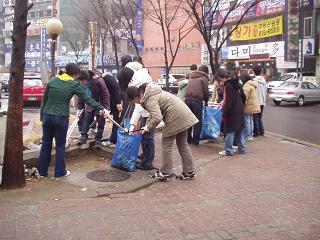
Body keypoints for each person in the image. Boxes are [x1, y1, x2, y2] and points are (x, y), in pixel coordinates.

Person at [37, 63, 109, 177]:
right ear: (75, 74)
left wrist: (42, 117)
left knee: (46, 144)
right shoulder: (73, 84)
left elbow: (44, 101)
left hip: (47, 116)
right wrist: (102, 108)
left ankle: (41, 171)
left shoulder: (52, 81)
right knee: (60, 145)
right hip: (61, 118)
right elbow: (87, 99)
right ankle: (60, 172)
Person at [127, 83, 198, 181]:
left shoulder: (149, 99)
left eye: (133, 101)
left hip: (175, 116)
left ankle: (165, 173)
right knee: (182, 144)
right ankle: (189, 171)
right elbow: (153, 114)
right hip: (183, 113)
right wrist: (146, 126)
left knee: (166, 145)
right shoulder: (150, 93)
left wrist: (148, 128)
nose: (135, 103)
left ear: (135, 97)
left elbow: (157, 117)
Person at [118, 61, 156, 170]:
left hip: (150, 113)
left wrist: (131, 126)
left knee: (148, 137)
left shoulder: (139, 84)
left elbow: (138, 107)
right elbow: (137, 107)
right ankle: (145, 156)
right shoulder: (139, 78)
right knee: (145, 137)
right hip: (147, 112)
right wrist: (131, 125)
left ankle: (147, 163)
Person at [76, 70, 110, 148]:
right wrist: (79, 108)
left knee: (101, 122)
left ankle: (98, 140)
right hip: (89, 105)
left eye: (83, 80)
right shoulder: (79, 83)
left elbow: (105, 94)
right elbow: (79, 96)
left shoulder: (98, 81)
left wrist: (106, 108)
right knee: (86, 119)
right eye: (80, 80)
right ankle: (83, 136)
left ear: (88, 79)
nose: (81, 82)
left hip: (100, 104)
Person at [217, 70, 246, 156]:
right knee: (240, 130)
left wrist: (224, 114)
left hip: (232, 111)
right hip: (240, 109)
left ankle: (229, 150)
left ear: (222, 78)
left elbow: (228, 102)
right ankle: (242, 149)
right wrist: (242, 106)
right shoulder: (236, 84)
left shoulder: (227, 86)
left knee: (229, 131)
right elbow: (244, 96)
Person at [185, 65, 209, 145]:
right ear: (206, 71)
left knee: (189, 120)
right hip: (197, 100)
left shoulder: (192, 76)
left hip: (187, 99)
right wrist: (206, 101)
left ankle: (188, 140)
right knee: (197, 121)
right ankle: (195, 141)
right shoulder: (204, 78)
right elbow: (205, 92)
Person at [102, 73, 122, 146]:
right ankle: (114, 140)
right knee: (117, 121)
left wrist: (118, 103)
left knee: (117, 121)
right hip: (117, 103)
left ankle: (114, 141)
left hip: (118, 104)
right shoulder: (109, 79)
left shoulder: (106, 79)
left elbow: (116, 90)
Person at [240, 73, 261, 142]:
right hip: (254, 105)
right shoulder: (253, 84)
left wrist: (242, 106)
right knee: (250, 121)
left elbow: (244, 97)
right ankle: (250, 135)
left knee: (247, 121)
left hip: (249, 106)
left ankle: (247, 136)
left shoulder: (246, 86)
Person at [252, 66, 267, 137]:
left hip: (256, 101)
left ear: (254, 72)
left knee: (255, 117)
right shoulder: (264, 81)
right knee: (259, 117)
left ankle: (256, 132)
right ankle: (262, 132)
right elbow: (265, 92)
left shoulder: (254, 81)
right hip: (262, 102)